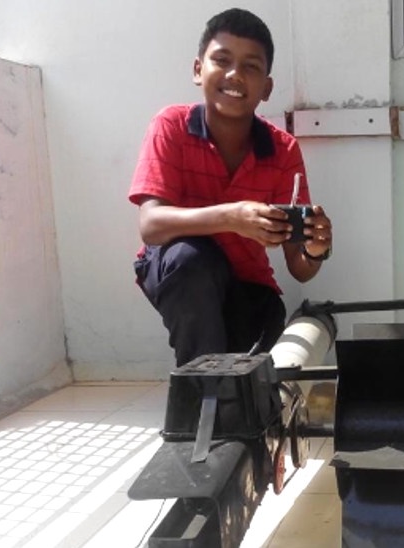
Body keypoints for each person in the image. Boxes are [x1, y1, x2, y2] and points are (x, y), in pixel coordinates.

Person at [128, 8, 332, 366]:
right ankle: (201, 391)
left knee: (254, 356)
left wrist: (315, 249)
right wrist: (232, 217)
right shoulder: (171, 125)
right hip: (179, 268)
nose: (235, 74)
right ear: (198, 70)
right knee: (191, 262)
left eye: (251, 66)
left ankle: (210, 389)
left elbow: (299, 267)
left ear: (266, 88)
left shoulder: (283, 150)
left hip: (247, 284)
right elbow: (151, 225)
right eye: (222, 60)